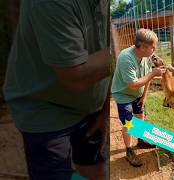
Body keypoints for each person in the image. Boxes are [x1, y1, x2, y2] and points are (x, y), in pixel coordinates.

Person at [2, 0, 111, 179]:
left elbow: (109, 37)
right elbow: (75, 75)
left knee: (96, 169)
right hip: (44, 108)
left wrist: (105, 108)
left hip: (90, 105)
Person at [111, 28, 165, 167]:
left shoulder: (146, 56)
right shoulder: (125, 58)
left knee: (140, 117)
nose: (154, 49)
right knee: (129, 123)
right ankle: (129, 151)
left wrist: (144, 96)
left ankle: (141, 140)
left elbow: (146, 77)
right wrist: (153, 74)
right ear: (142, 46)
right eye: (152, 47)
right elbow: (132, 84)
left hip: (138, 93)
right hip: (124, 93)